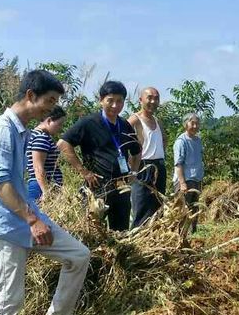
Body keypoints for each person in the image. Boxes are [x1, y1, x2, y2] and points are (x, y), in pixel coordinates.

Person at [0, 69, 91, 315]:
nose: (51, 108)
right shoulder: (1, 130)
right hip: (6, 224)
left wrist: (34, 217)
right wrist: (31, 220)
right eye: (49, 101)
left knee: (78, 254)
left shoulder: (21, 131)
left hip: (26, 219)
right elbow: (0, 182)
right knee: (9, 295)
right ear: (30, 96)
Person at [58, 81, 142, 232]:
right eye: (110, 101)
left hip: (121, 187)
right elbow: (63, 144)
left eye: (119, 101)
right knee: (93, 231)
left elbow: (136, 151)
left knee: (121, 232)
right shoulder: (89, 123)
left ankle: (119, 256)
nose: (115, 105)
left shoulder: (124, 125)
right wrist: (84, 172)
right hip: (97, 188)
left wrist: (134, 172)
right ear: (101, 100)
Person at [128, 86, 167, 228]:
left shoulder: (158, 121)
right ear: (141, 100)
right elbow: (123, 145)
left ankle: (153, 239)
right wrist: (131, 168)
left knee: (158, 207)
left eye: (156, 98)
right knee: (141, 206)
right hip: (142, 167)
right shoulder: (134, 120)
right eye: (149, 97)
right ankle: (136, 241)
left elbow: (164, 140)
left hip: (159, 167)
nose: (153, 101)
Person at [26, 105, 66, 202]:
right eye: (59, 124)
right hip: (41, 187)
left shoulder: (34, 135)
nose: (60, 128)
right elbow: (38, 167)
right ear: (49, 121)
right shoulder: (41, 138)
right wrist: (46, 192)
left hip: (42, 186)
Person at [174, 113, 204, 233]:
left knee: (194, 208)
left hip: (196, 179)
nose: (195, 126)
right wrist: (182, 183)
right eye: (192, 123)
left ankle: (193, 234)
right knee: (182, 210)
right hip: (185, 180)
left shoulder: (198, 140)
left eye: (197, 123)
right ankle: (180, 234)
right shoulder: (181, 141)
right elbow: (178, 163)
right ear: (185, 124)